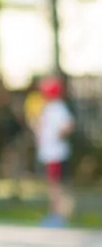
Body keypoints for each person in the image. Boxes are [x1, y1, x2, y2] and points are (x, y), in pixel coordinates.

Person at [34, 76, 75, 227]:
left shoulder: (57, 107)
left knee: (55, 187)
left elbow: (69, 125)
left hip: (55, 154)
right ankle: (56, 215)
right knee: (53, 186)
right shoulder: (50, 107)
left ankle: (58, 216)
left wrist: (56, 137)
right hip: (50, 154)